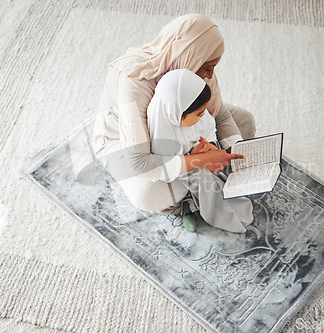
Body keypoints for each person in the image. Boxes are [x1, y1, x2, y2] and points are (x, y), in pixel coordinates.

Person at [93, 14, 256, 214]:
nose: (211, 75)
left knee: (244, 121)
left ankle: (196, 180)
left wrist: (235, 156)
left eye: (214, 67)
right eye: (208, 68)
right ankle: (189, 201)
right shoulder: (135, 79)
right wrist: (200, 159)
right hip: (127, 143)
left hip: (185, 123)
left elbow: (219, 115)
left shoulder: (193, 63)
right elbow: (140, 162)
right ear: (190, 56)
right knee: (149, 193)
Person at [147, 69, 253, 233]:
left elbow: (209, 126)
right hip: (181, 170)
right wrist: (193, 157)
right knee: (203, 179)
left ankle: (231, 199)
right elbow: (166, 170)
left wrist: (210, 145)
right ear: (178, 114)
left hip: (199, 154)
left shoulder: (196, 115)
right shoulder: (161, 131)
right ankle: (213, 213)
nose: (203, 116)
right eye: (199, 113)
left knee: (223, 165)